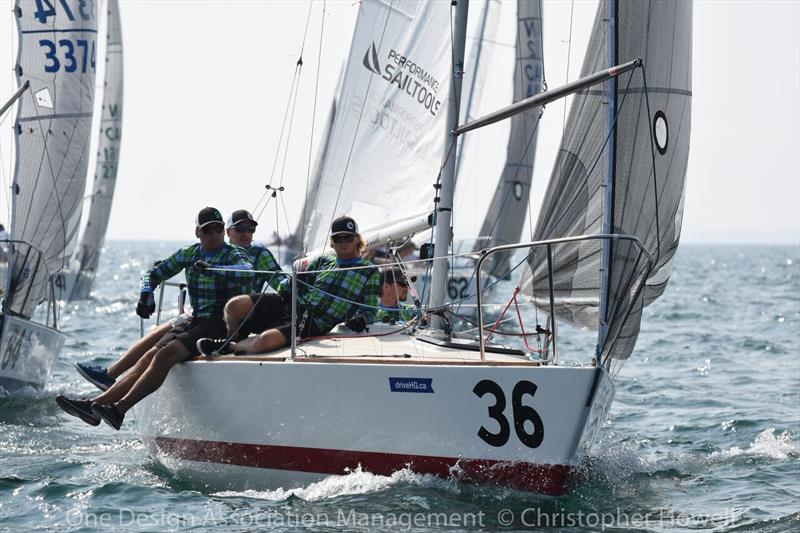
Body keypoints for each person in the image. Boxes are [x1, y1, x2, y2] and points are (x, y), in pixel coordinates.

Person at [56, 207, 255, 430]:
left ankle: (119, 409)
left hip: (222, 325)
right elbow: (153, 272)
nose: (215, 234)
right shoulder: (190, 254)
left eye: (219, 229)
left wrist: (214, 269)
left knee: (165, 355)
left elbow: (246, 271)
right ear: (197, 233)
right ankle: (94, 407)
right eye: (208, 229)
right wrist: (145, 293)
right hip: (197, 321)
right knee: (149, 355)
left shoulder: (233, 254)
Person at [72, 209, 285, 391]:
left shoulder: (255, 253)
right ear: (229, 232)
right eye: (240, 229)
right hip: (202, 312)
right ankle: (111, 376)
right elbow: (158, 271)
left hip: (232, 316)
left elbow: (273, 278)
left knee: (165, 341)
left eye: (251, 229)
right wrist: (147, 290)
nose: (246, 234)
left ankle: (114, 385)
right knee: (158, 333)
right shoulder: (210, 251)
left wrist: (298, 295)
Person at [197, 215, 379, 355]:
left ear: (357, 239)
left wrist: (361, 319)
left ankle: (228, 346)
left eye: (348, 238)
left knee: (264, 341)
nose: (343, 242)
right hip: (289, 302)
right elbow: (285, 287)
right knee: (234, 305)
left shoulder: (369, 270)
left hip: (313, 321)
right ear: (332, 241)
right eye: (338, 238)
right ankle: (234, 337)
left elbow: (370, 310)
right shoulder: (322, 261)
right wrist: (294, 277)